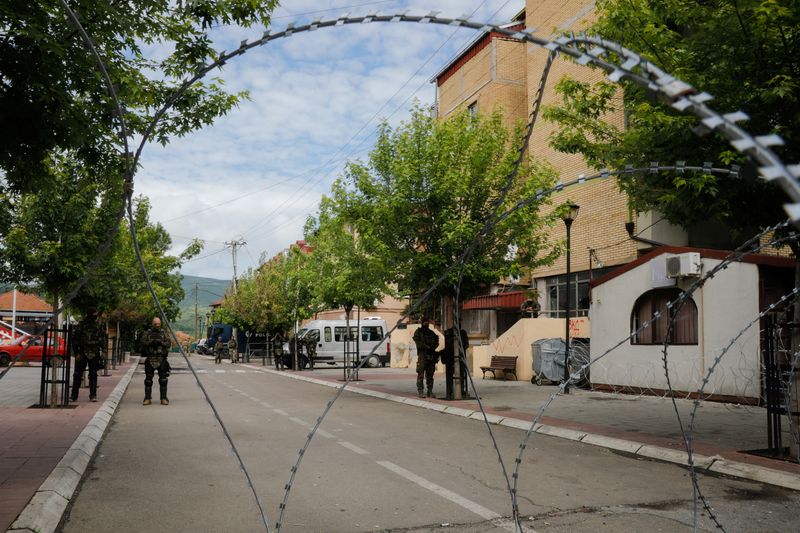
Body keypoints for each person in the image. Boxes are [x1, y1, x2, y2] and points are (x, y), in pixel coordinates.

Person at [70, 309, 104, 402]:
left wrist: (103, 351)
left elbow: (102, 339)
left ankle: (93, 395)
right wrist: (76, 353)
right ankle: (74, 395)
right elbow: (74, 339)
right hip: (82, 352)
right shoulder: (81, 325)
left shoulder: (98, 326)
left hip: (94, 352)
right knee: (78, 374)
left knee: (93, 374)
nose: (95, 316)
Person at [140, 317, 171, 405]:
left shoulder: (164, 333)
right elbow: (142, 342)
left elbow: (168, 343)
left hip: (161, 359)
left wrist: (161, 343)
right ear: (152, 324)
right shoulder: (147, 333)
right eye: (155, 324)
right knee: (148, 380)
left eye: (159, 324)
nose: (157, 326)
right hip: (150, 358)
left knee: (163, 380)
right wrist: (151, 342)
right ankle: (147, 398)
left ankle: (163, 398)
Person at [439, 326, 469, 401]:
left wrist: (459, 349)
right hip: (450, 358)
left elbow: (466, 344)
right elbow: (448, 345)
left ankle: (462, 391)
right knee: (449, 376)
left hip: (461, 357)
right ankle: (449, 392)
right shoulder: (448, 333)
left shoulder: (462, 333)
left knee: (462, 375)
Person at [413, 317, 439, 398]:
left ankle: (430, 391)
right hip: (422, 355)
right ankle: (421, 391)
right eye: (425, 322)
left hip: (431, 355)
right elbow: (418, 342)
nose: (426, 323)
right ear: (422, 323)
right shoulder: (418, 332)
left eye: (427, 322)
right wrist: (426, 346)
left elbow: (436, 341)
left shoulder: (431, 333)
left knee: (430, 375)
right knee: (421, 374)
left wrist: (432, 347)